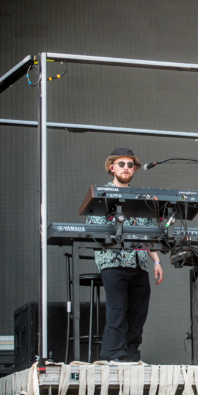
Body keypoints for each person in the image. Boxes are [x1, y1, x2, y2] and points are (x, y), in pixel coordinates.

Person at [86, 148, 164, 362]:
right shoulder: (101, 194)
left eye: (130, 165)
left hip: (139, 264)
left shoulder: (141, 198)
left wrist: (156, 261)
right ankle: (115, 355)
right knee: (118, 310)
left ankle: (131, 356)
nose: (126, 168)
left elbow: (149, 232)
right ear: (112, 168)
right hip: (113, 262)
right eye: (122, 164)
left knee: (138, 312)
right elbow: (94, 229)